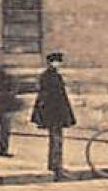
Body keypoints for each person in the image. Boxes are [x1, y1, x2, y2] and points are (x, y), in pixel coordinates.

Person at [30, 50, 77, 181]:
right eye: (55, 62)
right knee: (56, 140)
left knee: (57, 140)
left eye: (58, 62)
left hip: (57, 112)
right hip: (53, 113)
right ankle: (56, 167)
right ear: (50, 63)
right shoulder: (48, 76)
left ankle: (56, 165)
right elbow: (47, 96)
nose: (57, 64)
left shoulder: (54, 75)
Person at [0, 64, 21, 158]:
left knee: (4, 129)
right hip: (4, 107)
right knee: (4, 129)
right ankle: (3, 149)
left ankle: (3, 149)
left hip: (2, 107)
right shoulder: (1, 81)